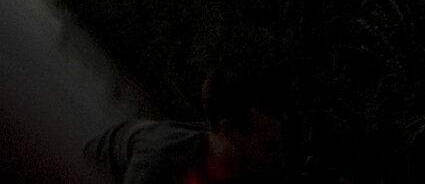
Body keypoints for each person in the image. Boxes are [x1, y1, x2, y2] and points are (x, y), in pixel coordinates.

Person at [82, 69, 285, 183]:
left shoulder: (257, 168)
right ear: (228, 130)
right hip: (101, 163)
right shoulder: (159, 159)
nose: (276, 155)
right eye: (267, 143)